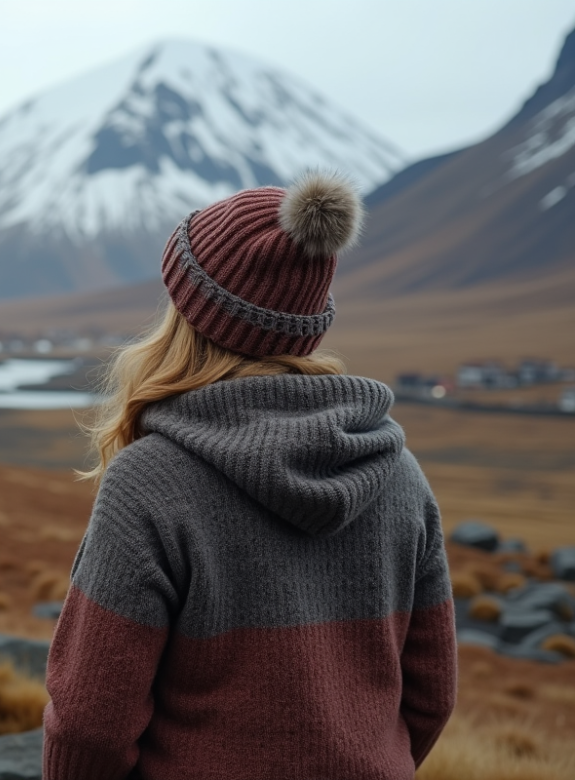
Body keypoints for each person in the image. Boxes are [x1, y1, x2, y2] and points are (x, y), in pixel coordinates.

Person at [42, 172, 457, 780]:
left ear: (190, 317)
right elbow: (431, 695)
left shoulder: (149, 482)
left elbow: (89, 723)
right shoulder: (399, 473)